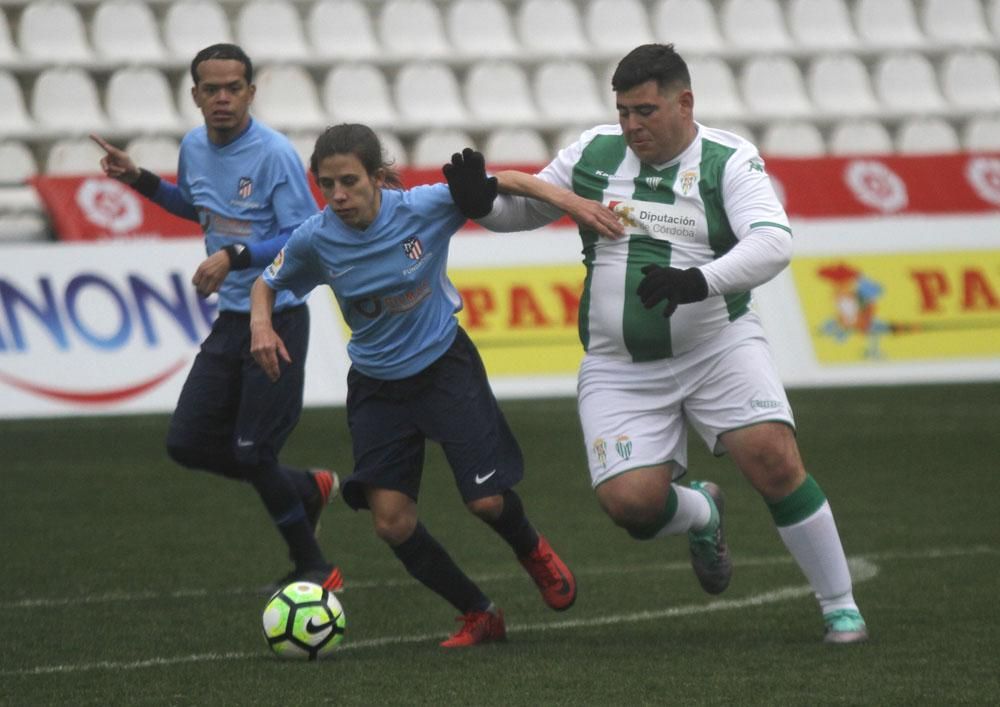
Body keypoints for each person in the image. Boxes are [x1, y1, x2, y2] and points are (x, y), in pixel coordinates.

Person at [446, 43, 868, 644]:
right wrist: (482, 204)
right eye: (623, 112)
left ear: (684, 101)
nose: (631, 125)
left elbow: (773, 241)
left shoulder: (728, 160)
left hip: (718, 346)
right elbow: (525, 209)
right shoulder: (594, 152)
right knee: (631, 507)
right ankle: (703, 511)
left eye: (644, 110)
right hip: (619, 366)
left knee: (774, 460)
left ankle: (839, 606)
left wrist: (699, 280)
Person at [249, 123, 577, 648]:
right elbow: (267, 283)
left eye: (350, 181)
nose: (338, 195)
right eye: (327, 184)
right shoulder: (316, 237)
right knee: (391, 523)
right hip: (377, 387)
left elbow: (512, 180)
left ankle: (532, 549)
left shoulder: (422, 206)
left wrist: (576, 207)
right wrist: (260, 326)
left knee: (487, 502)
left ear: (378, 177)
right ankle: (479, 612)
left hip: (444, 367)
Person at [90, 43, 342, 594]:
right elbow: (197, 206)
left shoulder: (273, 154)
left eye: (233, 88)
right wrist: (140, 180)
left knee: (253, 451)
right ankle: (304, 487)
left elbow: (305, 237)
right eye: (212, 89)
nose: (222, 98)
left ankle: (316, 566)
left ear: (251, 92)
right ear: (195, 96)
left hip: (278, 317)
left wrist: (235, 255)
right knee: (187, 442)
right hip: (231, 320)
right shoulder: (194, 147)